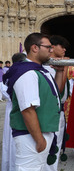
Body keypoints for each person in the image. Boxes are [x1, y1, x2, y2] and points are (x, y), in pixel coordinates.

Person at [3, 33, 63, 170]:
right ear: (35, 48)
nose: (51, 51)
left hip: (42, 132)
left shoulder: (39, 71)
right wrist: (39, 140)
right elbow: (28, 110)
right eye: (48, 47)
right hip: (31, 136)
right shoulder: (27, 73)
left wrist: (59, 72)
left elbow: (55, 96)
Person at [44, 35, 71, 171]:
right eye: (62, 46)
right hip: (51, 113)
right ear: (52, 47)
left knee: (57, 145)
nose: (65, 49)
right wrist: (63, 66)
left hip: (59, 112)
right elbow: (58, 90)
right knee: (51, 147)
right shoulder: (48, 66)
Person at [1, 53, 26, 171]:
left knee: (11, 141)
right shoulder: (21, 73)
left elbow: (4, 90)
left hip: (12, 109)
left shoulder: (8, 74)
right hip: (18, 110)